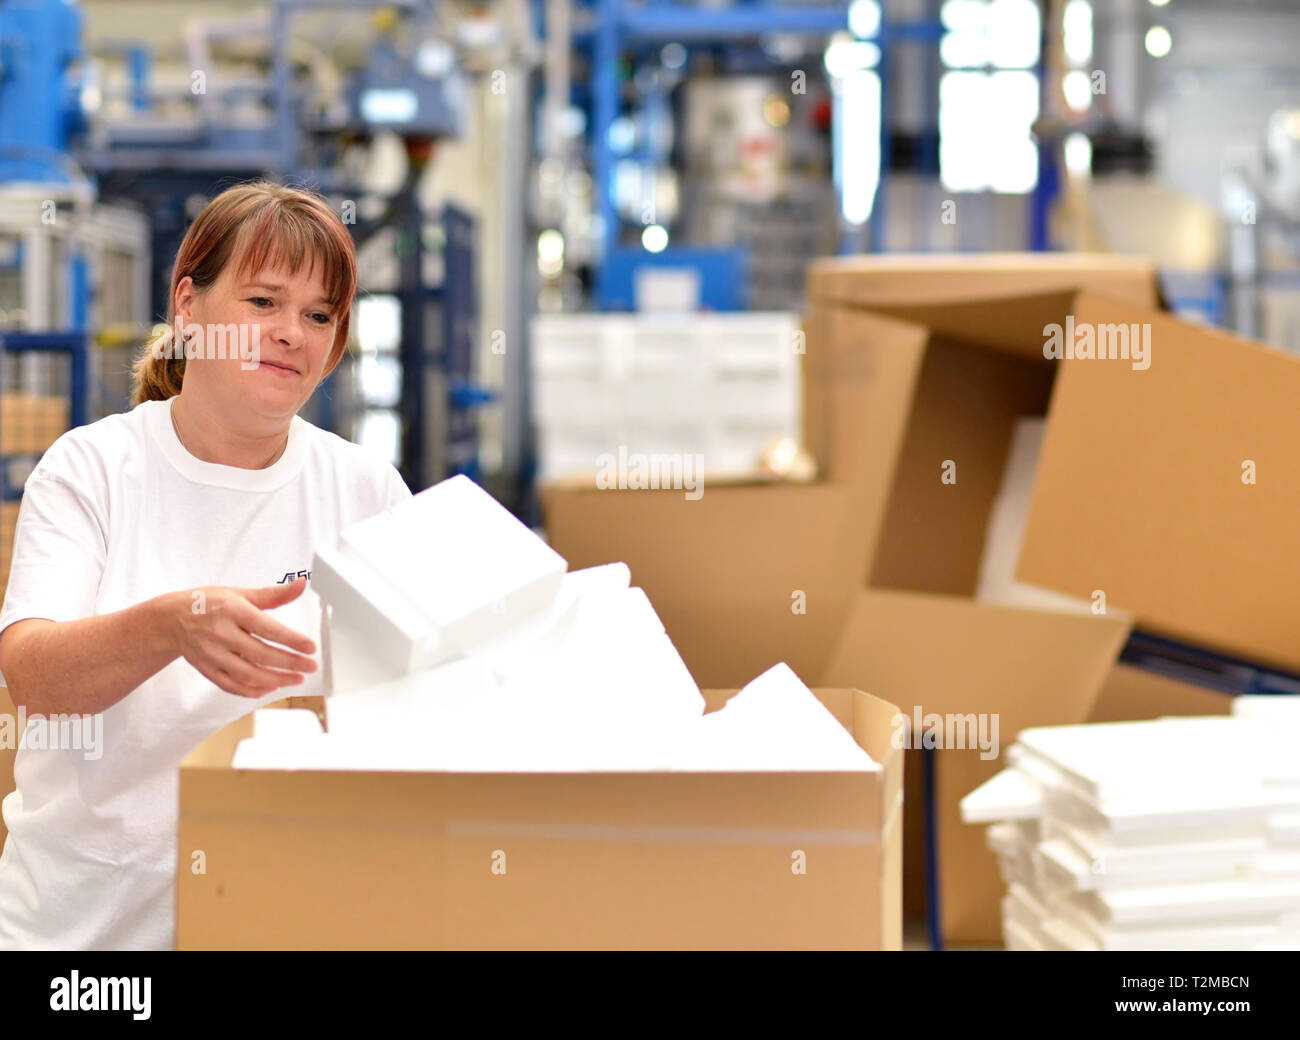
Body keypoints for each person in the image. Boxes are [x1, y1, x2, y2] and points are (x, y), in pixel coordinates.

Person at [0, 180, 412, 950]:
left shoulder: (368, 492)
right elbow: (34, 680)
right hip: (90, 936)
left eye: (319, 315)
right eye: (263, 301)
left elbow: (423, 701)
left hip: (284, 920)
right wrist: (171, 626)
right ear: (188, 307)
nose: (292, 332)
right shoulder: (92, 470)